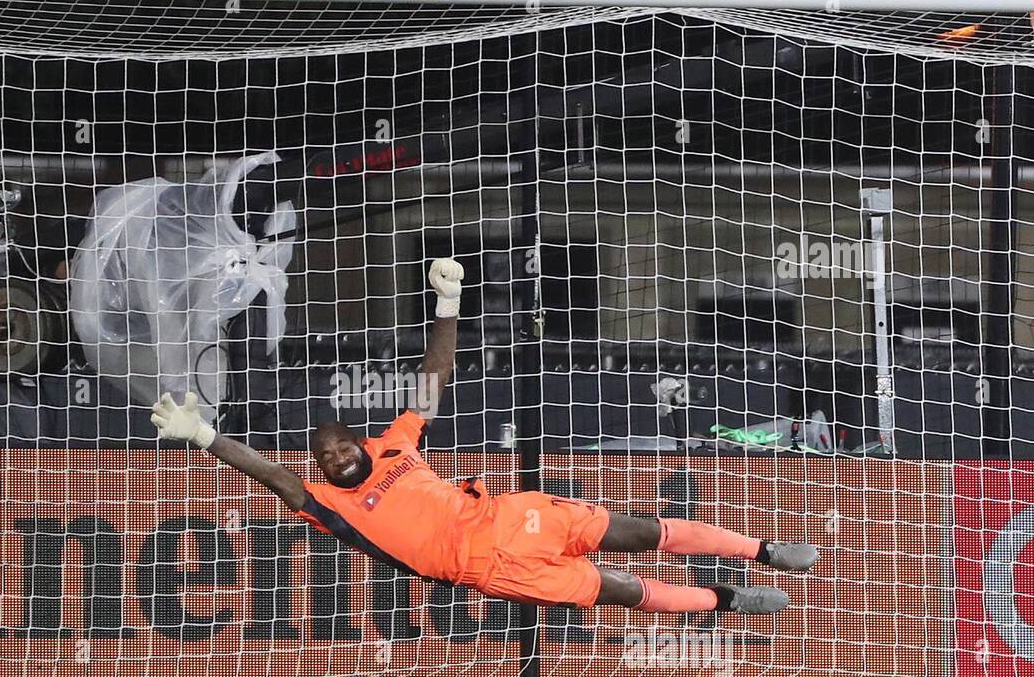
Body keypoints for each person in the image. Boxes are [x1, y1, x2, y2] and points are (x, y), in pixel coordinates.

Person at [150, 258, 817, 613]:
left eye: (342, 444)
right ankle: (727, 597)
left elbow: (433, 377)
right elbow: (267, 473)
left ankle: (764, 549)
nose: (337, 455)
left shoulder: (398, 444)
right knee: (620, 588)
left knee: (642, 529)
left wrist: (447, 304)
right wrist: (204, 432)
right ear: (318, 467)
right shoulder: (330, 506)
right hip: (491, 567)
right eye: (325, 456)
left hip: (515, 514)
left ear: (358, 439)